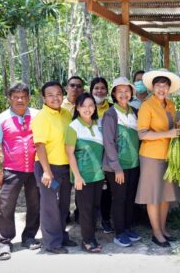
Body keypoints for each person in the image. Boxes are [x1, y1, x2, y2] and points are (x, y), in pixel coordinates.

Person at [0, 83, 40, 260]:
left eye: (23, 96)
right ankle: (4, 242)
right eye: (16, 96)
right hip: (12, 170)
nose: (20, 100)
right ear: (9, 98)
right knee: (6, 206)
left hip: (36, 169)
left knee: (35, 204)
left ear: (29, 98)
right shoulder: (1, 119)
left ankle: (29, 236)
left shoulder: (37, 115)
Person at [136, 69, 180, 248]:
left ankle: (163, 229)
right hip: (151, 156)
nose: (161, 89)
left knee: (165, 196)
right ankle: (156, 233)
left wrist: (178, 128)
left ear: (169, 88)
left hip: (169, 155)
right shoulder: (147, 106)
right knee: (154, 196)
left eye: (165, 86)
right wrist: (168, 133)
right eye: (158, 86)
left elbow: (172, 125)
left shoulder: (170, 104)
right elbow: (142, 134)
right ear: (153, 87)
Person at [31, 81, 75, 254]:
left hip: (65, 167)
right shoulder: (42, 118)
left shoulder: (66, 114)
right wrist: (47, 172)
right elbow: (39, 146)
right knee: (50, 206)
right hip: (48, 168)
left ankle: (62, 236)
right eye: (50, 95)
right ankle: (51, 244)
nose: (55, 98)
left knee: (64, 204)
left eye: (58, 94)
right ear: (43, 98)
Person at [103, 77, 142, 247]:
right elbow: (108, 142)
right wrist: (117, 168)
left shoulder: (134, 111)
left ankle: (127, 228)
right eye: (119, 91)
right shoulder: (110, 114)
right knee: (119, 199)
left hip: (133, 164)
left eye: (127, 91)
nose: (123, 94)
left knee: (129, 198)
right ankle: (119, 233)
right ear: (114, 94)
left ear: (131, 93)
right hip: (117, 166)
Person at [66, 93, 104, 253]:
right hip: (83, 176)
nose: (87, 109)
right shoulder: (73, 126)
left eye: (91, 105)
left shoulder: (98, 125)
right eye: (83, 106)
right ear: (78, 108)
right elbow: (69, 154)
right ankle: (87, 241)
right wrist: (78, 176)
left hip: (98, 175)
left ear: (94, 107)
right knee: (85, 209)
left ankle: (92, 238)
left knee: (95, 208)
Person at [89, 77, 113, 234]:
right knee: (89, 188)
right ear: (91, 90)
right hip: (89, 154)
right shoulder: (84, 106)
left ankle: (105, 219)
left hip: (108, 154)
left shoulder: (112, 108)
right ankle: (86, 219)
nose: (99, 91)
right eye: (96, 88)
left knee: (106, 189)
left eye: (103, 88)